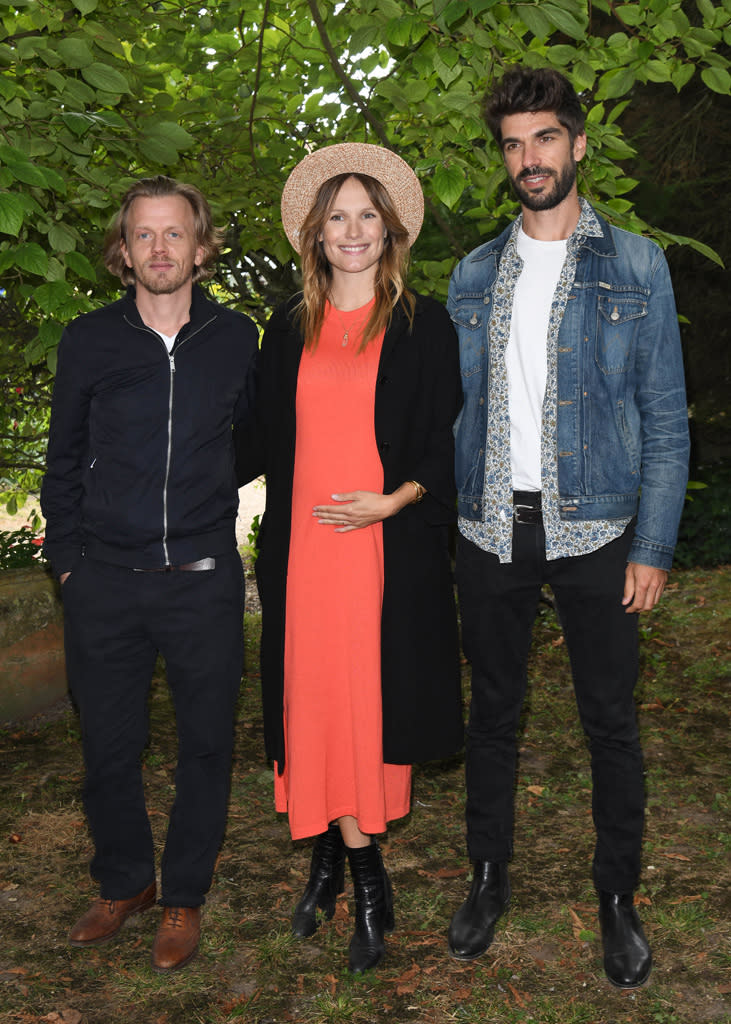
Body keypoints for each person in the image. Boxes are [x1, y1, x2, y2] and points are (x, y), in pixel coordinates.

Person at [447, 68, 689, 989]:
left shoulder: (635, 265)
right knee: (493, 716)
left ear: (578, 144)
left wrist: (654, 547)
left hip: (599, 531)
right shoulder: (472, 274)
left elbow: (665, 416)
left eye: (544, 138)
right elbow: (452, 415)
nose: (528, 159)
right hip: (490, 529)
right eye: (512, 143)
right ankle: (485, 877)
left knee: (609, 723)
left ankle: (617, 899)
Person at [236, 143, 463, 974]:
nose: (354, 230)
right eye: (337, 216)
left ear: (390, 229)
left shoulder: (422, 324)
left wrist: (396, 498)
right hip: (304, 555)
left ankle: (356, 872)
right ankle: (349, 861)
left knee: (370, 704)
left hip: (382, 552)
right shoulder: (286, 327)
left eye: (368, 214)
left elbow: (445, 441)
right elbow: (253, 438)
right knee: (315, 702)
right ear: (315, 235)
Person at [41, 175, 258, 972]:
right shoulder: (88, 341)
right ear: (123, 250)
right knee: (108, 745)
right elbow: (60, 462)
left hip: (200, 577)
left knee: (205, 746)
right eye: (144, 235)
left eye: (175, 234)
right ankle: (125, 881)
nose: (160, 249)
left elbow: (252, 443)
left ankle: (183, 897)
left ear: (201, 248)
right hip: (104, 580)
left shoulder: (237, 339)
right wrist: (69, 564)